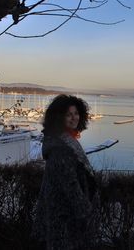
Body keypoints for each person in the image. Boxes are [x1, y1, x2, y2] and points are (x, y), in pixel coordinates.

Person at [33, 94, 97, 250]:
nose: (74, 118)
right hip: (65, 217)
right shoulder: (60, 147)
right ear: (58, 117)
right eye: (68, 114)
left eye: (76, 113)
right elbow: (70, 184)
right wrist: (85, 213)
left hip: (64, 214)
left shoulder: (65, 140)